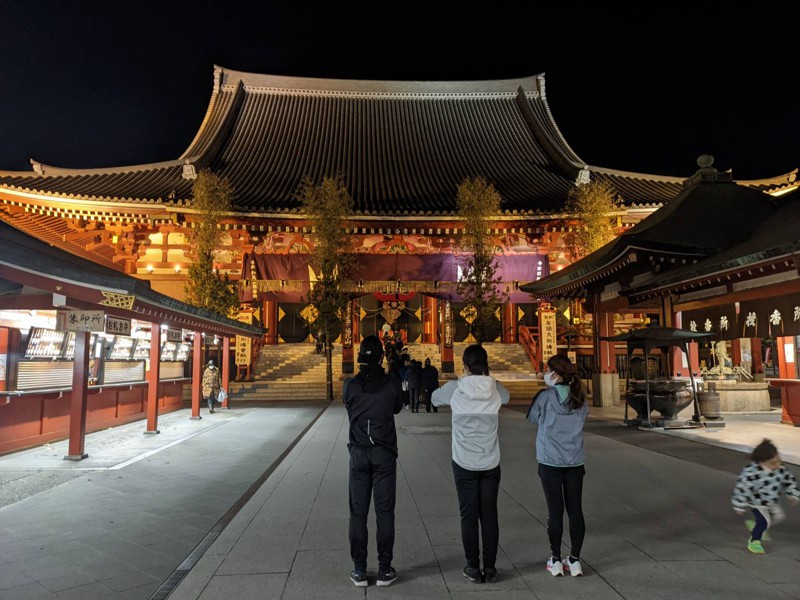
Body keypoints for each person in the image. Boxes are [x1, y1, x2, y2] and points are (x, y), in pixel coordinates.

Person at [432, 344, 510, 584]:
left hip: (464, 460)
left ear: (464, 364)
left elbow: (435, 398)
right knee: (489, 515)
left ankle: (472, 567)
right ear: (485, 364)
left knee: (468, 515)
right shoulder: (496, 389)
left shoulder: (456, 388)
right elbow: (507, 397)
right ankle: (490, 567)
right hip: (489, 460)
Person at [343, 335, 404, 587]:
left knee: (358, 512)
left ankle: (359, 569)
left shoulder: (350, 386)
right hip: (384, 452)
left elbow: (349, 405)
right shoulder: (392, 384)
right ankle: (384, 568)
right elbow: (398, 407)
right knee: (384, 512)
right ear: (381, 357)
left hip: (358, 453)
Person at [526, 354, 588, 577]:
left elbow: (533, 418)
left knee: (555, 511)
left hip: (550, 460)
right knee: (575, 510)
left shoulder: (545, 397)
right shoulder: (579, 397)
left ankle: (554, 558)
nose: (546, 374)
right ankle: (574, 560)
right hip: (574, 460)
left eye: (548, 370)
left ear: (556, 373)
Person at [731, 438, 800, 554]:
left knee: (779, 517)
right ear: (762, 462)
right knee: (764, 522)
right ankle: (754, 541)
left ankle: (757, 526)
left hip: (771, 501)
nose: (777, 465)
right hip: (756, 502)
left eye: (779, 461)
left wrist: (793, 494)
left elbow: (789, 481)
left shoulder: (780, 469)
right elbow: (742, 488)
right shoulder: (751, 472)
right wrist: (739, 505)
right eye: (773, 463)